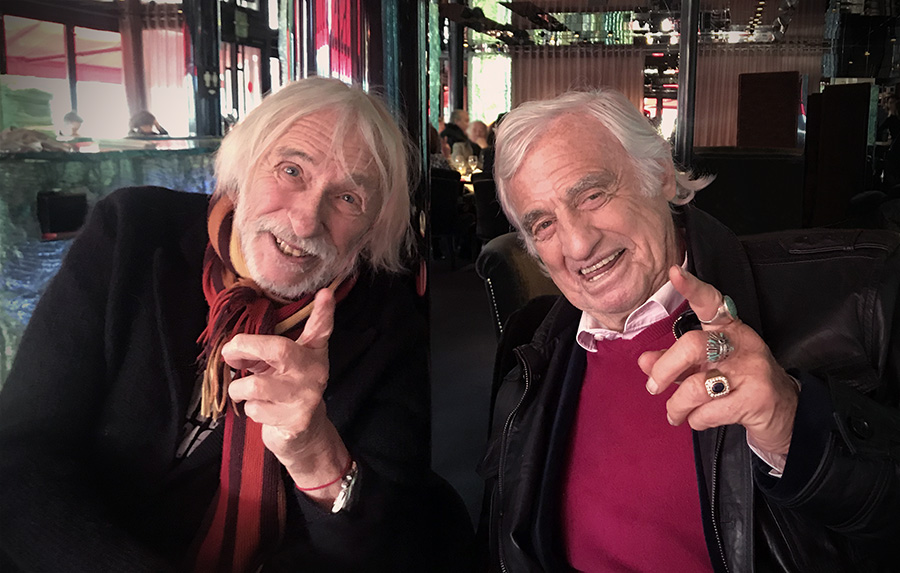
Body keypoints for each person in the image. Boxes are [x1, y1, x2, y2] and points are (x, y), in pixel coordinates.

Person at [0, 77, 471, 571]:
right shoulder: (131, 235)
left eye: (348, 199)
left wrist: (316, 452)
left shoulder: (388, 320)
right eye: (291, 170)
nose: (305, 221)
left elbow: (390, 543)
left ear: (370, 229)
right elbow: (20, 458)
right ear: (243, 166)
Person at [479, 88, 900, 571]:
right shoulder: (531, 351)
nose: (577, 245)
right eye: (544, 225)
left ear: (659, 173)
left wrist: (795, 425)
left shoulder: (859, 294)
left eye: (592, 195)